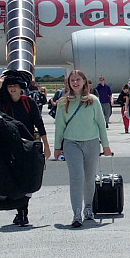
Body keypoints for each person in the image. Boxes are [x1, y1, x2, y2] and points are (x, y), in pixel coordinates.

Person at [53, 69, 114, 226]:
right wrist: (57, 147)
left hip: (92, 142)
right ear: (68, 83)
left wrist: (106, 146)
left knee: (89, 178)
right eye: (72, 80)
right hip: (71, 143)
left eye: (78, 80)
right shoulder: (63, 102)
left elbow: (101, 124)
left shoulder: (93, 100)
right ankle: (76, 214)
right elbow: (59, 127)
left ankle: (88, 208)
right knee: (77, 176)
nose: (75, 83)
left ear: (84, 82)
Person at [0, 73, 52, 226]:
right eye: (9, 86)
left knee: (26, 179)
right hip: (9, 148)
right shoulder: (3, 103)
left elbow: (39, 123)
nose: (12, 88)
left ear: (21, 88)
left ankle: (22, 213)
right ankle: (20, 211)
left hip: (28, 147)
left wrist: (46, 145)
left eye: (15, 86)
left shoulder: (28, 102)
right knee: (15, 179)